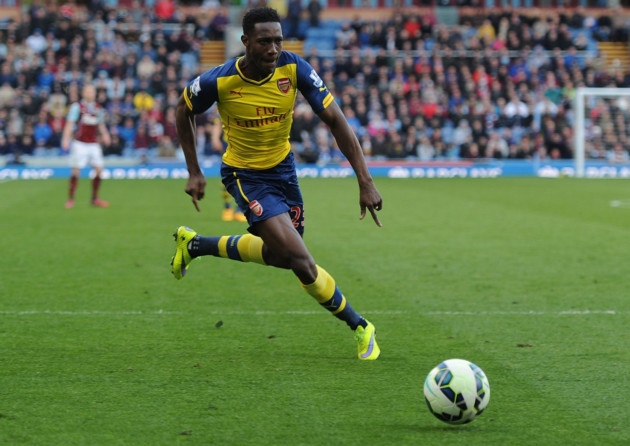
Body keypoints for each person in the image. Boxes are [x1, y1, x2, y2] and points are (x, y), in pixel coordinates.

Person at [171, 6, 383, 360]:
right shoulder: (220, 81)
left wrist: (365, 180)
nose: (273, 49)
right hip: (244, 176)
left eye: (278, 40)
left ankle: (195, 245)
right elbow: (183, 109)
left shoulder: (294, 68)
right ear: (245, 42)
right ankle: (361, 326)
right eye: (264, 41)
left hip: (284, 172)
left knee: (280, 255)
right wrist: (194, 171)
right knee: (301, 260)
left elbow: (337, 120)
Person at [61, 84, 111, 208]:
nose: (89, 94)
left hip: (93, 143)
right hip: (80, 143)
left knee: (99, 170)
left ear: (95, 94)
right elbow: (69, 123)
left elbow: (100, 124)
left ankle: (94, 198)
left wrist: (105, 135)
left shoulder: (98, 108)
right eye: (87, 91)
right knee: (76, 171)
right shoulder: (77, 107)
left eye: (91, 92)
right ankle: (71, 198)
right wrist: (65, 139)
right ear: (83, 93)